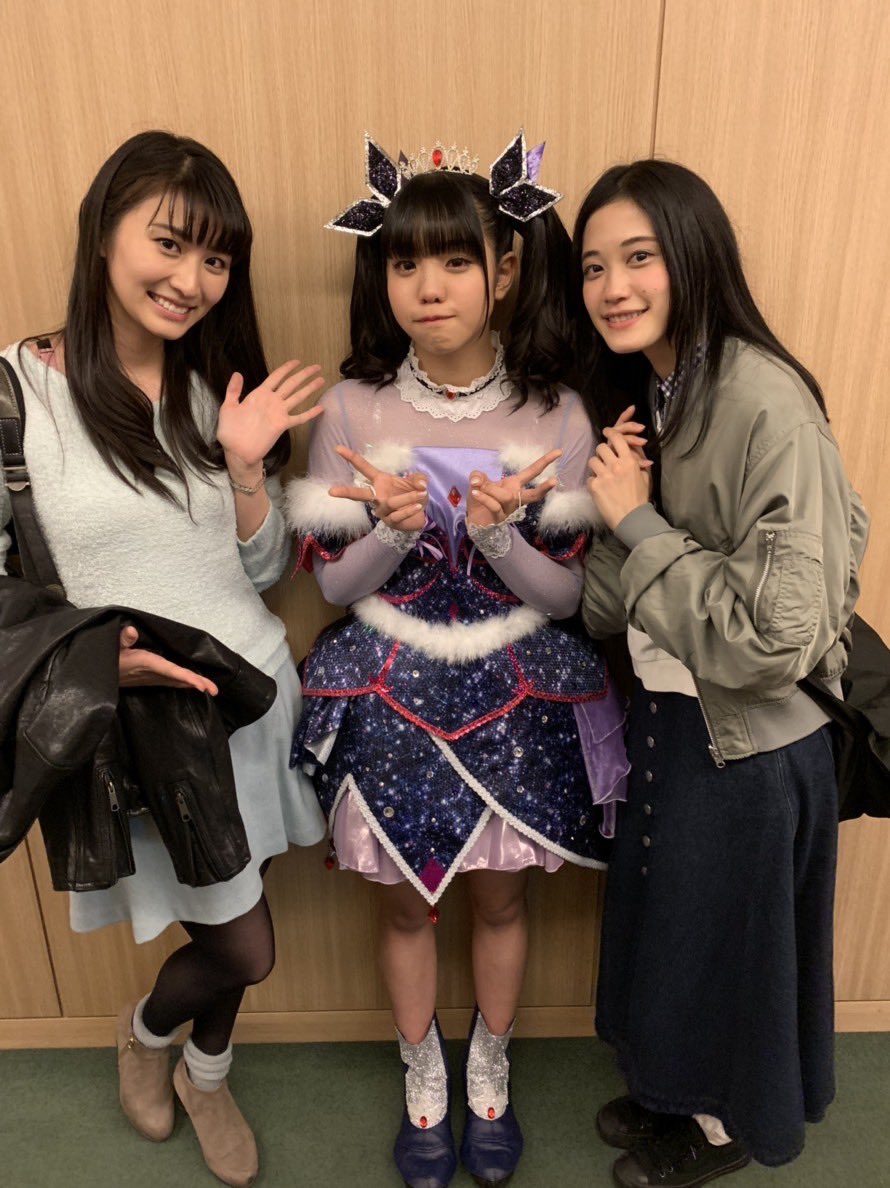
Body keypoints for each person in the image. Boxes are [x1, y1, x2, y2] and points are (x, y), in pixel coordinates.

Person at [287, 133, 628, 1188]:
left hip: (517, 686)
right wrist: (391, 536)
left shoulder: (557, 412)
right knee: (403, 902)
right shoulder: (350, 408)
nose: (427, 287)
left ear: (506, 268)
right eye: (403, 262)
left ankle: (489, 1068)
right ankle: (420, 1073)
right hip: (388, 687)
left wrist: (494, 538)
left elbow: (566, 600)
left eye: (454, 259)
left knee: (502, 899)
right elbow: (331, 591)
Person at [0, 130, 327, 1188]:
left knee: (239, 906)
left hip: (256, 699)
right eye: (171, 244)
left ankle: (207, 1071)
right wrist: (99, 660)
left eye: (216, 258)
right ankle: (146, 1039)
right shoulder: (16, 394)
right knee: (242, 945)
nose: (192, 280)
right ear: (103, 233)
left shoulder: (211, 387)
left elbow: (264, 569)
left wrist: (246, 469)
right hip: (145, 728)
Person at [574, 159, 869, 1186]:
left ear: (695, 257)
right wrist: (581, 519)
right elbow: (613, 599)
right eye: (593, 267)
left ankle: (721, 1128)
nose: (612, 287)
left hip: (752, 745)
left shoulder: (763, 401)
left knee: (728, 949)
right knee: (674, 930)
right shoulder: (661, 390)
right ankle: (674, 1091)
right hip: (674, 720)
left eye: (639, 258)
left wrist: (633, 521)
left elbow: (776, 641)